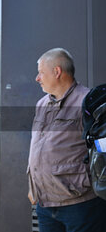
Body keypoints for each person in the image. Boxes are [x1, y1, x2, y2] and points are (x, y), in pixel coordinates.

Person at [27, 48, 106, 232]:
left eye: (41, 73)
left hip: (80, 205)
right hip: (45, 205)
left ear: (57, 71)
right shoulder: (41, 104)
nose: (37, 78)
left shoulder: (87, 101)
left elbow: (102, 147)